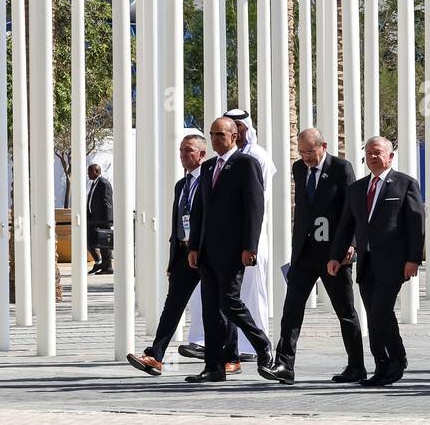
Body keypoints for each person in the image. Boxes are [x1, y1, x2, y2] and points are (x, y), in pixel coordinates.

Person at [266, 128, 366, 385]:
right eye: (301, 152)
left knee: (345, 310)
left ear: (323, 146)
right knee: (291, 309)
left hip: (334, 253)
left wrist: (350, 244)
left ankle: (356, 365)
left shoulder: (342, 168)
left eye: (310, 151)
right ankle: (284, 364)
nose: (306, 157)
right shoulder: (299, 169)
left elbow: (352, 209)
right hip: (304, 253)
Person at [180, 108, 277, 361]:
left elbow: (255, 208)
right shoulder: (209, 166)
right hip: (208, 251)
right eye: (212, 134)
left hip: (234, 250)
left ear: (234, 136)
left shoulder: (248, 163)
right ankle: (214, 366)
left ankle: (260, 343)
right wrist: (194, 247)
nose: (214, 140)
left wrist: (249, 246)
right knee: (210, 308)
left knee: (230, 303)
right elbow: (200, 208)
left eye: (220, 134)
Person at [328, 136, 424, 387]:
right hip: (367, 263)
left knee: (381, 310)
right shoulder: (357, 189)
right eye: (369, 152)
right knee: (373, 314)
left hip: (394, 262)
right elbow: (346, 226)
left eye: (378, 152)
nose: (372, 156)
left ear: (390, 157)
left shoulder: (405, 184)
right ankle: (381, 364)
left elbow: (416, 225)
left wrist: (413, 258)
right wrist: (336, 256)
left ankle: (397, 358)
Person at [126, 134, 212, 375]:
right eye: (181, 151)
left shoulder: (210, 180)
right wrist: (173, 258)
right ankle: (156, 355)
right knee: (173, 305)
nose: (184, 155)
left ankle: (231, 354)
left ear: (202, 154)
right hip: (184, 254)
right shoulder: (181, 185)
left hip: (206, 253)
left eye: (189, 151)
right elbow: (177, 224)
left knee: (219, 305)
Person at [86, 163, 113, 274]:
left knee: (104, 245)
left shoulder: (103, 183)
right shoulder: (94, 183)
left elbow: (107, 203)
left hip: (102, 220)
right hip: (93, 219)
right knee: (90, 242)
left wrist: (107, 221)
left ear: (96, 172)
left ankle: (107, 267)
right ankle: (99, 262)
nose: (88, 174)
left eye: (89, 172)